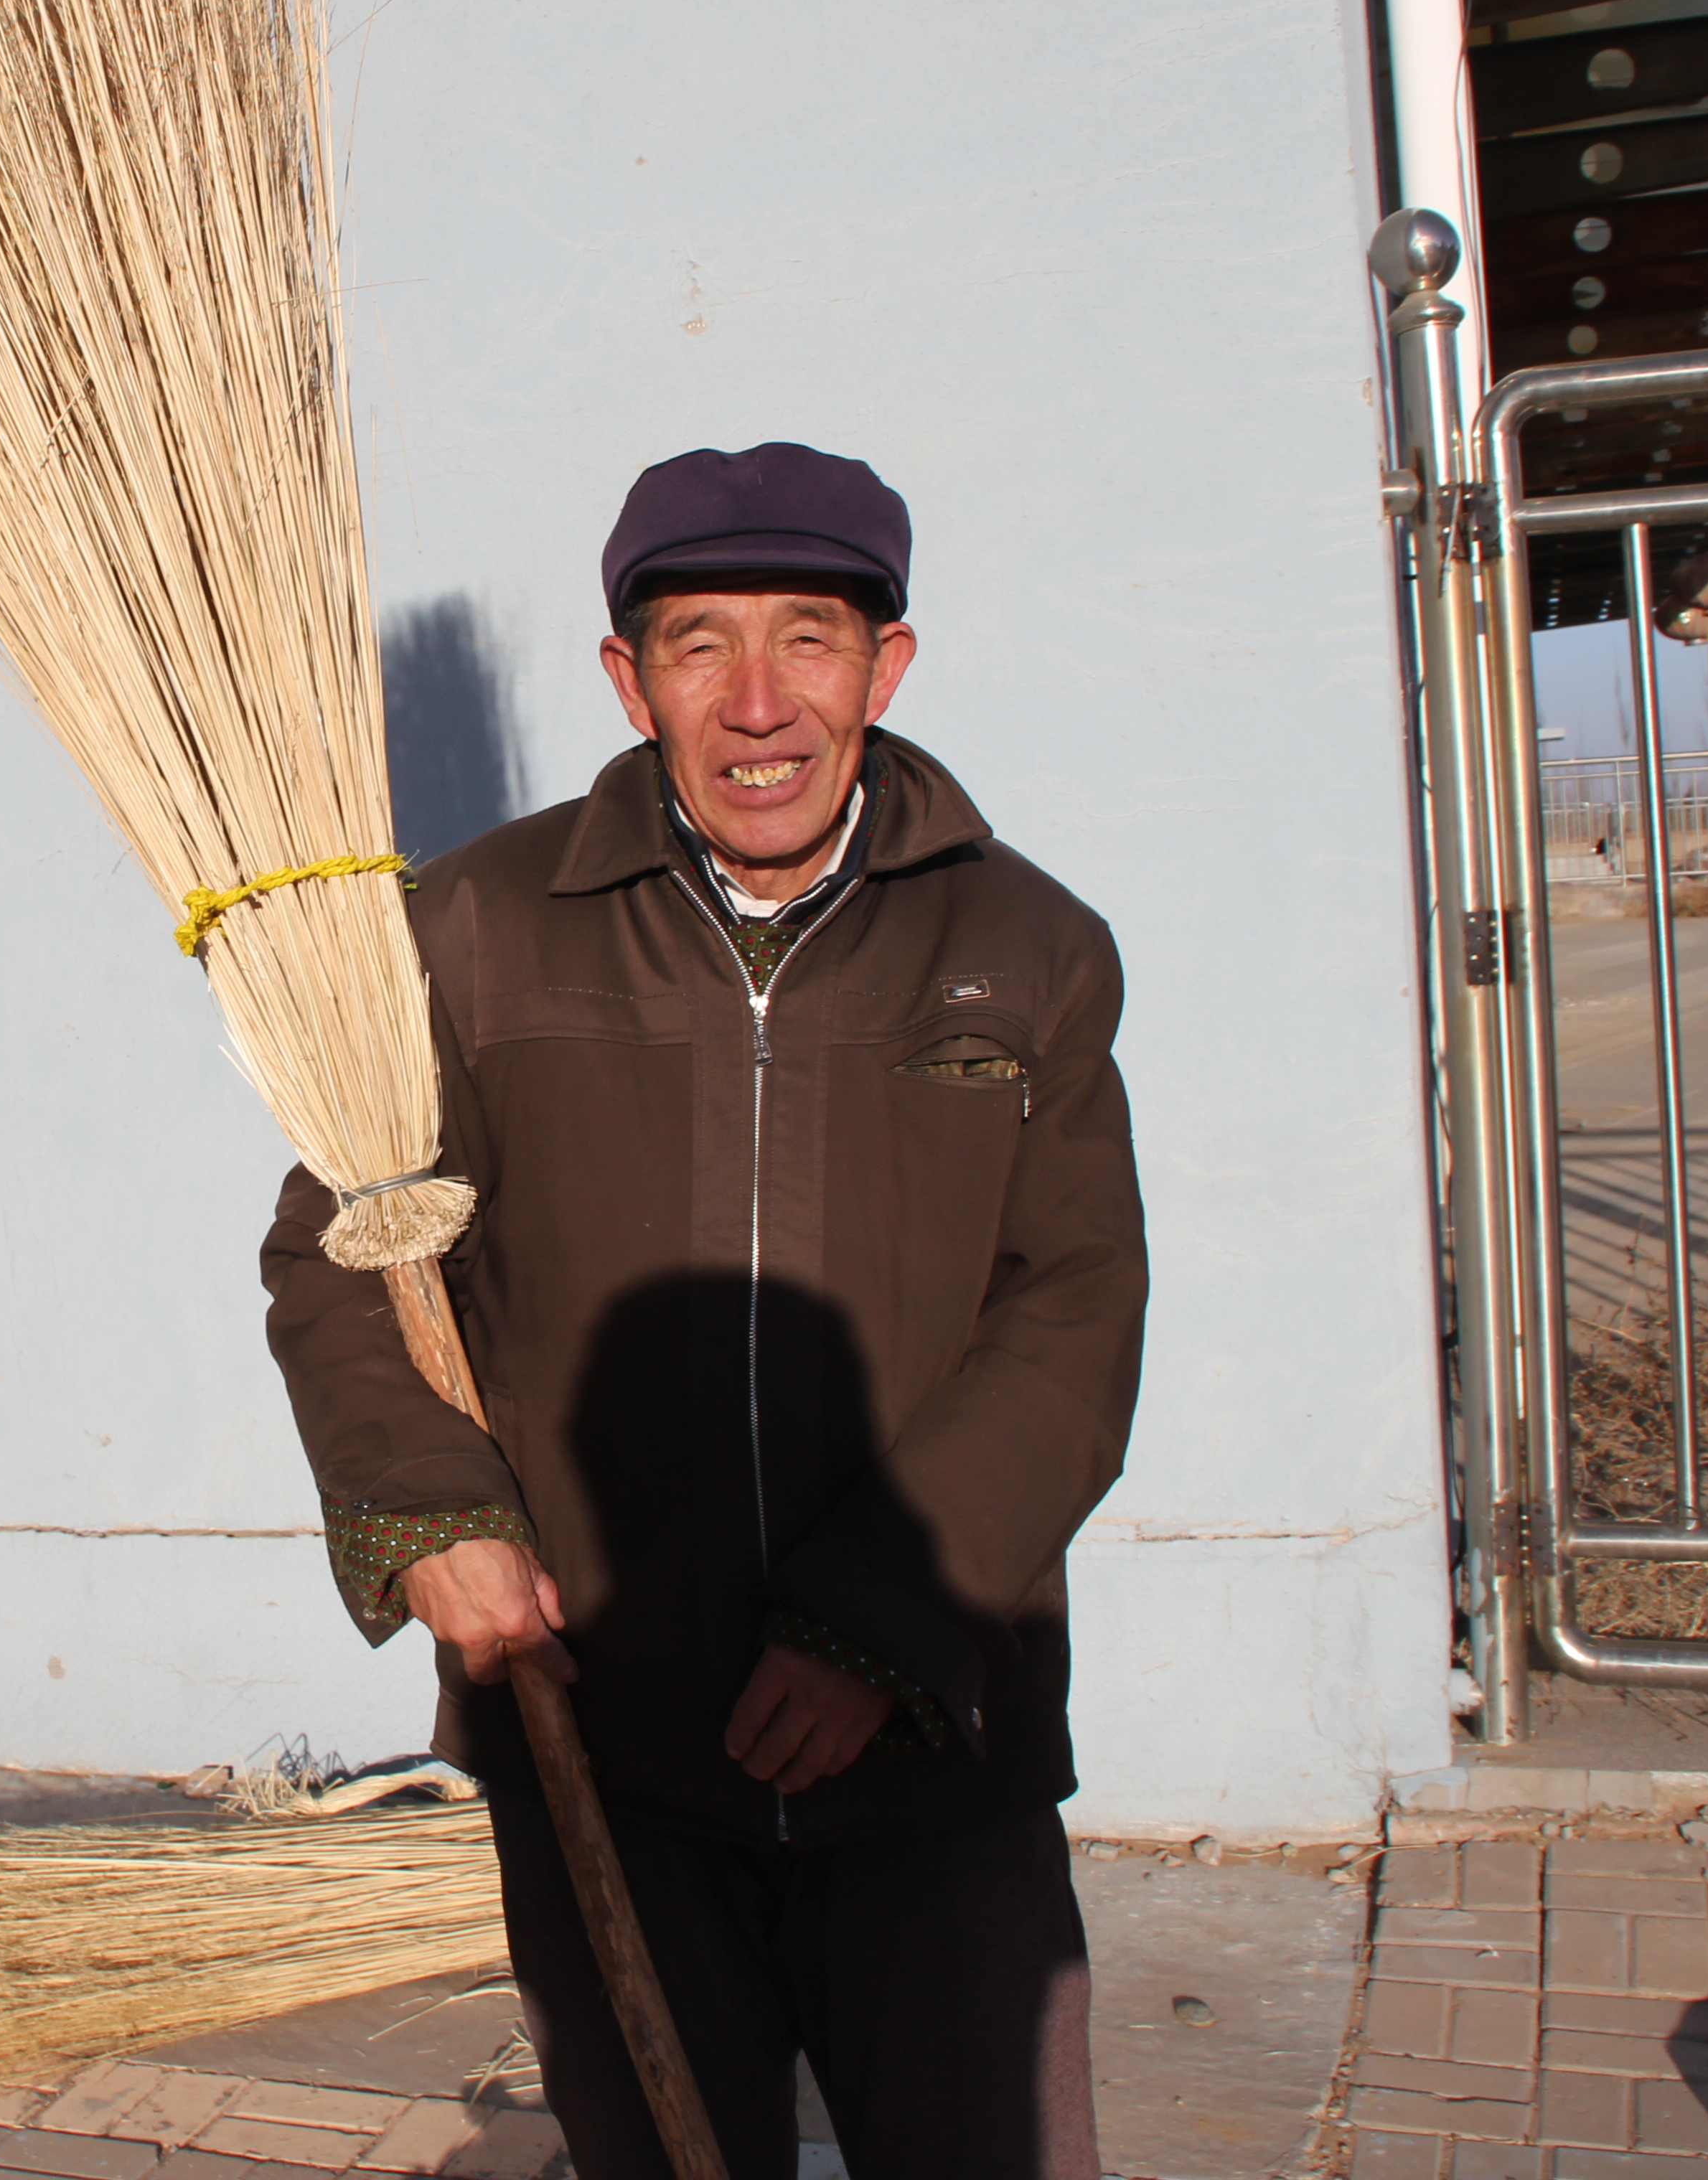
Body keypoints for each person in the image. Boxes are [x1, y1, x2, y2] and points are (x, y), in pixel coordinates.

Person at [260, 443, 1148, 2180]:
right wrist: (430, 1515)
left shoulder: (1028, 945)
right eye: (697, 645)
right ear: (627, 679)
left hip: (927, 1746)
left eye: (808, 640)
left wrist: (873, 1622)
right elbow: (338, 1250)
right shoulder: (477, 928)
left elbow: (1074, 1313)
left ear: (886, 668)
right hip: (607, 1739)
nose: (759, 704)